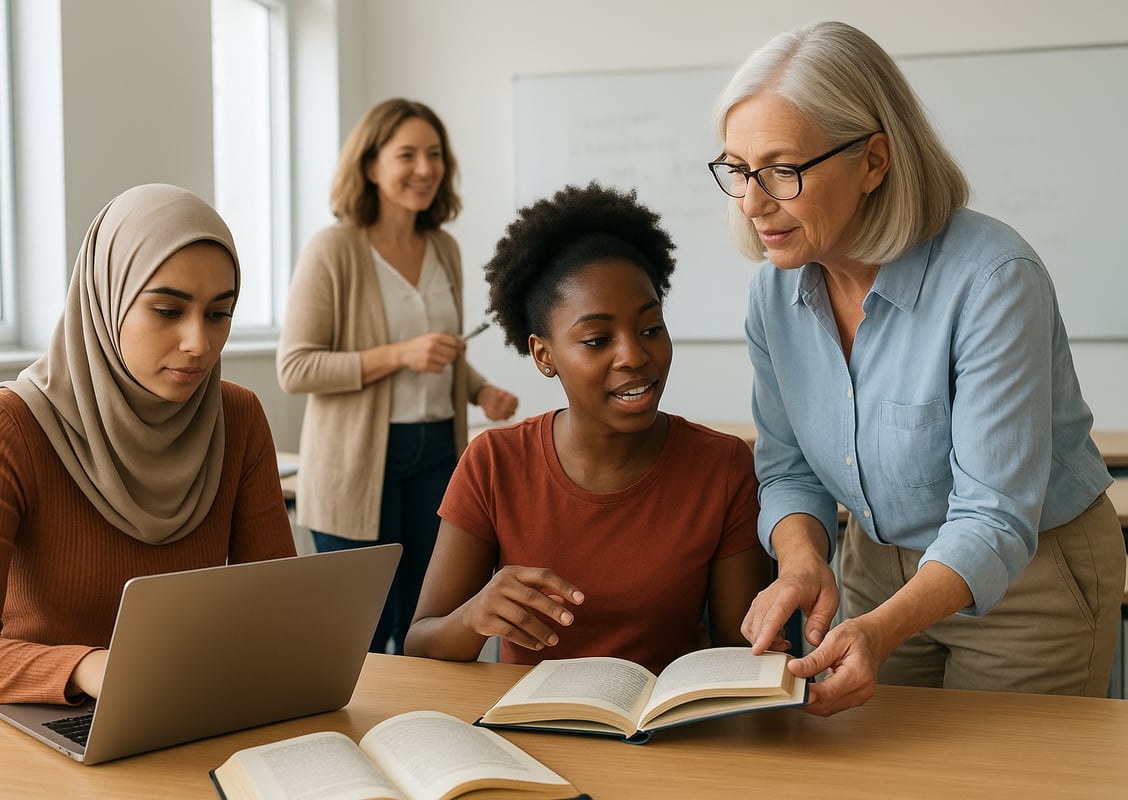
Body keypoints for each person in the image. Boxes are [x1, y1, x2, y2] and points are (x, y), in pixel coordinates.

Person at [709, 21, 1124, 715]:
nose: (753, 204)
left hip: (1031, 580)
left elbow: (993, 516)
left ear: (874, 161)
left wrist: (880, 629)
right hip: (873, 562)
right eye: (739, 170)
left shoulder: (993, 279)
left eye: (783, 170)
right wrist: (806, 561)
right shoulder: (773, 293)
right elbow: (789, 469)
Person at [0, 183, 297, 705]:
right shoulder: (4, 427)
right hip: (42, 728)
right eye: (168, 311)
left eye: (219, 313)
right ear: (105, 298)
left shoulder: (238, 417)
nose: (199, 343)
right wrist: (87, 667)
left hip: (188, 710)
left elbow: (279, 608)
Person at [403, 182, 771, 675]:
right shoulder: (494, 462)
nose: (635, 357)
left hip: (668, 735)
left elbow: (741, 653)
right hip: (528, 734)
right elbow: (420, 645)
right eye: (597, 340)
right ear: (544, 355)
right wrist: (474, 616)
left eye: (650, 329)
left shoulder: (721, 466)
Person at [276, 99, 518, 656]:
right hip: (357, 465)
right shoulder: (334, 249)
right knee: (358, 630)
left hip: (438, 452)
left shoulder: (445, 249)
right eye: (406, 154)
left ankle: (425, 734)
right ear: (370, 165)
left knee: (430, 622)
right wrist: (400, 354)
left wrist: (478, 388)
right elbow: (296, 367)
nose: (425, 168)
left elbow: (442, 350)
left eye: (434, 155)